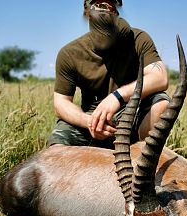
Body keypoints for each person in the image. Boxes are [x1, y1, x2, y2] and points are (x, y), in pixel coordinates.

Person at [48, 0, 170, 148]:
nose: (103, 9)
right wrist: (88, 122)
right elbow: (61, 103)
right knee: (57, 148)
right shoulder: (69, 53)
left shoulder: (137, 39)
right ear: (87, 12)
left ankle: (140, 159)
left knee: (161, 104)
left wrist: (117, 97)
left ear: (117, 10)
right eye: (97, 4)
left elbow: (160, 77)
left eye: (109, 4)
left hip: (129, 113)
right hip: (91, 118)